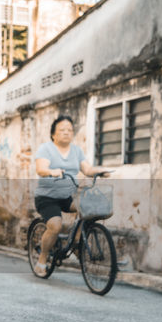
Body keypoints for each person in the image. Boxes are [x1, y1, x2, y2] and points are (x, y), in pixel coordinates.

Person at [33, 115, 110, 273]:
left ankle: (76, 242)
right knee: (55, 226)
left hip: (67, 196)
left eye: (69, 130)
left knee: (89, 209)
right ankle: (42, 260)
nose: (66, 132)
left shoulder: (76, 151)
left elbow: (87, 170)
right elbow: (41, 168)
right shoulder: (46, 148)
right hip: (47, 197)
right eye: (62, 130)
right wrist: (51, 171)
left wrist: (100, 171)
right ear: (53, 134)